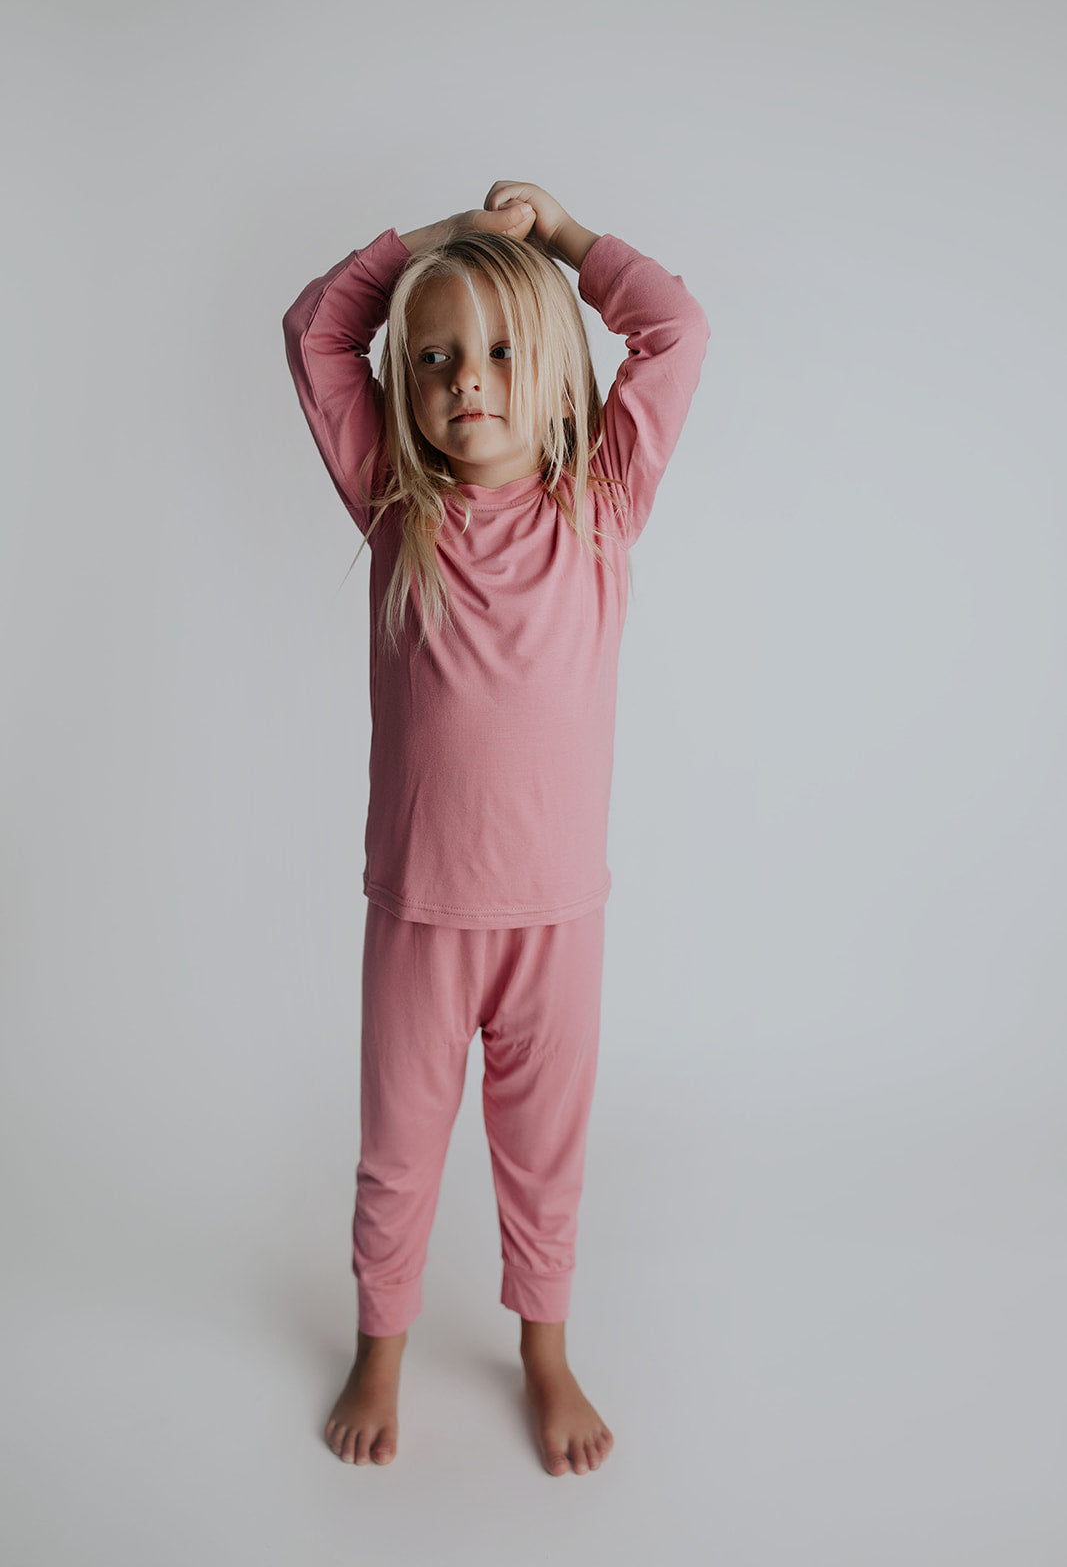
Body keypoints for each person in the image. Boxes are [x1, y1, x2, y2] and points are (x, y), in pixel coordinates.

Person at [281, 179, 710, 1476]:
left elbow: (676, 328)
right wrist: (438, 243)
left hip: (556, 921)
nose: (467, 377)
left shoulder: (600, 505)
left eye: (503, 352)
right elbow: (315, 328)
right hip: (420, 914)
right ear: (406, 383)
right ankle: (381, 1347)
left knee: (543, 1158)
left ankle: (546, 1353)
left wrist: (566, 240)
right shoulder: (395, 506)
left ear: (559, 371)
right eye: (434, 357)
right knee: (398, 1153)